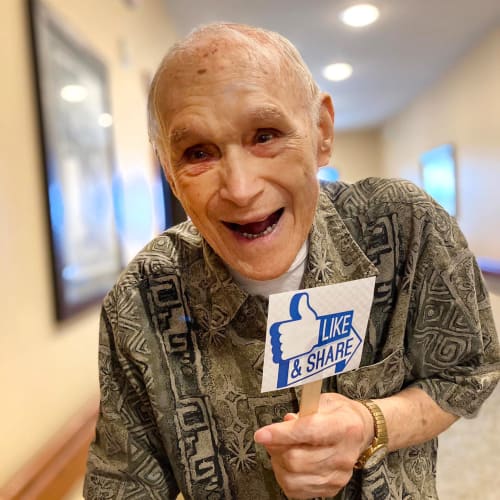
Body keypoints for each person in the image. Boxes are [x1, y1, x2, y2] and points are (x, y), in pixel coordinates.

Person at [84, 23, 500, 499]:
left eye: (265, 135)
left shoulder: (403, 228)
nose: (241, 189)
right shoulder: (142, 297)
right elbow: (123, 481)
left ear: (321, 132)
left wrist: (372, 422)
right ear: (169, 171)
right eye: (198, 152)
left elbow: (466, 371)